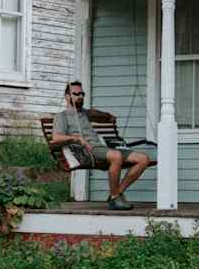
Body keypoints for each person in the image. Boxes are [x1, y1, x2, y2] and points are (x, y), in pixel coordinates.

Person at [50, 80, 150, 211]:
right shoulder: (62, 116)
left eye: (82, 93)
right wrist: (78, 138)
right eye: (76, 93)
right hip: (86, 151)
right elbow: (56, 138)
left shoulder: (84, 113)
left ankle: (117, 193)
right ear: (68, 97)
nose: (80, 96)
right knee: (116, 156)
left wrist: (108, 116)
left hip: (102, 148)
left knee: (143, 159)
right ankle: (115, 197)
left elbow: (95, 113)